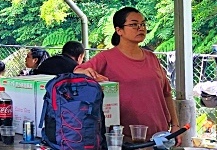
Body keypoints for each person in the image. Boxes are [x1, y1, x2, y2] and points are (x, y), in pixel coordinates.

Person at [76, 7, 180, 140]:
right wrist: (87, 73)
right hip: (126, 138)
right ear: (119, 30)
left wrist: (175, 125)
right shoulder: (106, 57)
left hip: (160, 135)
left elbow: (166, 93)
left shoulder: (152, 58)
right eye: (134, 24)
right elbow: (77, 72)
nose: (140, 28)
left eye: (143, 24)